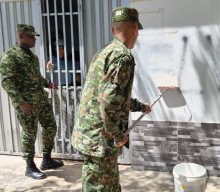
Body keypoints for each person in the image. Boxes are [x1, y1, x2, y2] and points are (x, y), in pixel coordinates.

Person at [71, 7, 151, 191]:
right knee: (100, 187)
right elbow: (108, 102)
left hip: (92, 137)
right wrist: (118, 135)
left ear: (113, 30)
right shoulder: (123, 57)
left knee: (110, 185)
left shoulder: (104, 53)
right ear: (135, 29)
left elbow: (114, 98)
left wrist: (140, 106)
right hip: (100, 140)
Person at [0, 24, 64, 180]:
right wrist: (20, 102)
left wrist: (47, 84)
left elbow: (37, 77)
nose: (34, 39)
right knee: (29, 134)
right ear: (21, 36)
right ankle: (29, 166)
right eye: (30, 36)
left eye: (34, 36)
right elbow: (7, 82)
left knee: (51, 127)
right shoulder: (11, 56)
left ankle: (46, 160)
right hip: (26, 104)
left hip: (41, 100)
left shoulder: (33, 57)